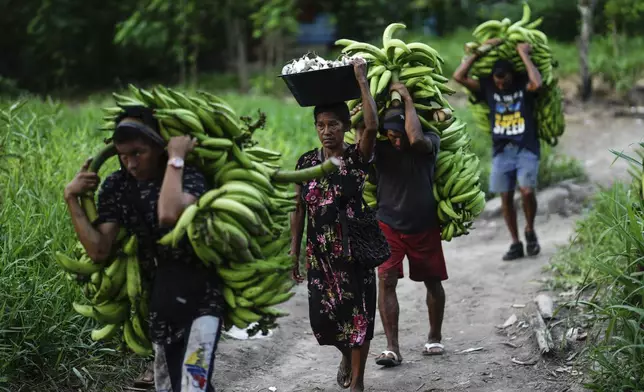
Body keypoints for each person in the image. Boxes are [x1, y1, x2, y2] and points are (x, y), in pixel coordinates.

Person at [63, 106, 224, 392]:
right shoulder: (117, 185)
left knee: (193, 384)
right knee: (170, 384)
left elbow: (169, 214)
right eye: (124, 156)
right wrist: (71, 198)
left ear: (159, 146)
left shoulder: (190, 175)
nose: (131, 164)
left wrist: (176, 158)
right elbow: (99, 250)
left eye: (139, 153)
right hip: (161, 295)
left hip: (203, 294)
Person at [290, 57, 379, 392]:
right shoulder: (306, 163)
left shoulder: (357, 157)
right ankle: (346, 355)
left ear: (345, 127)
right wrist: (294, 250)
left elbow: (371, 127)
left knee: (359, 318)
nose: (327, 131)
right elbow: (298, 207)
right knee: (325, 321)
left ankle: (358, 382)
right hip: (321, 254)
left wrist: (361, 81)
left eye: (334, 125)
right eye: (321, 125)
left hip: (354, 249)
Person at [368, 83, 448, 367]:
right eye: (392, 137)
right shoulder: (380, 148)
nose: (398, 142)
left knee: (432, 281)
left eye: (399, 136)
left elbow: (414, 139)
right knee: (386, 280)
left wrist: (407, 99)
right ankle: (392, 348)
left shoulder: (428, 141)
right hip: (388, 223)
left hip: (423, 224)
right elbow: (362, 135)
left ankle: (434, 336)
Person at [453, 39, 543, 261]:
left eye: (505, 81)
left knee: (527, 191)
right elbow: (459, 77)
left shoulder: (523, 83)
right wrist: (480, 51)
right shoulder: (488, 86)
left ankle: (530, 230)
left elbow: (537, 83)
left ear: (512, 75)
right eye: (498, 81)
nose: (501, 85)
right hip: (502, 150)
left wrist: (523, 54)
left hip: (526, 147)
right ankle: (515, 242)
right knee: (505, 196)